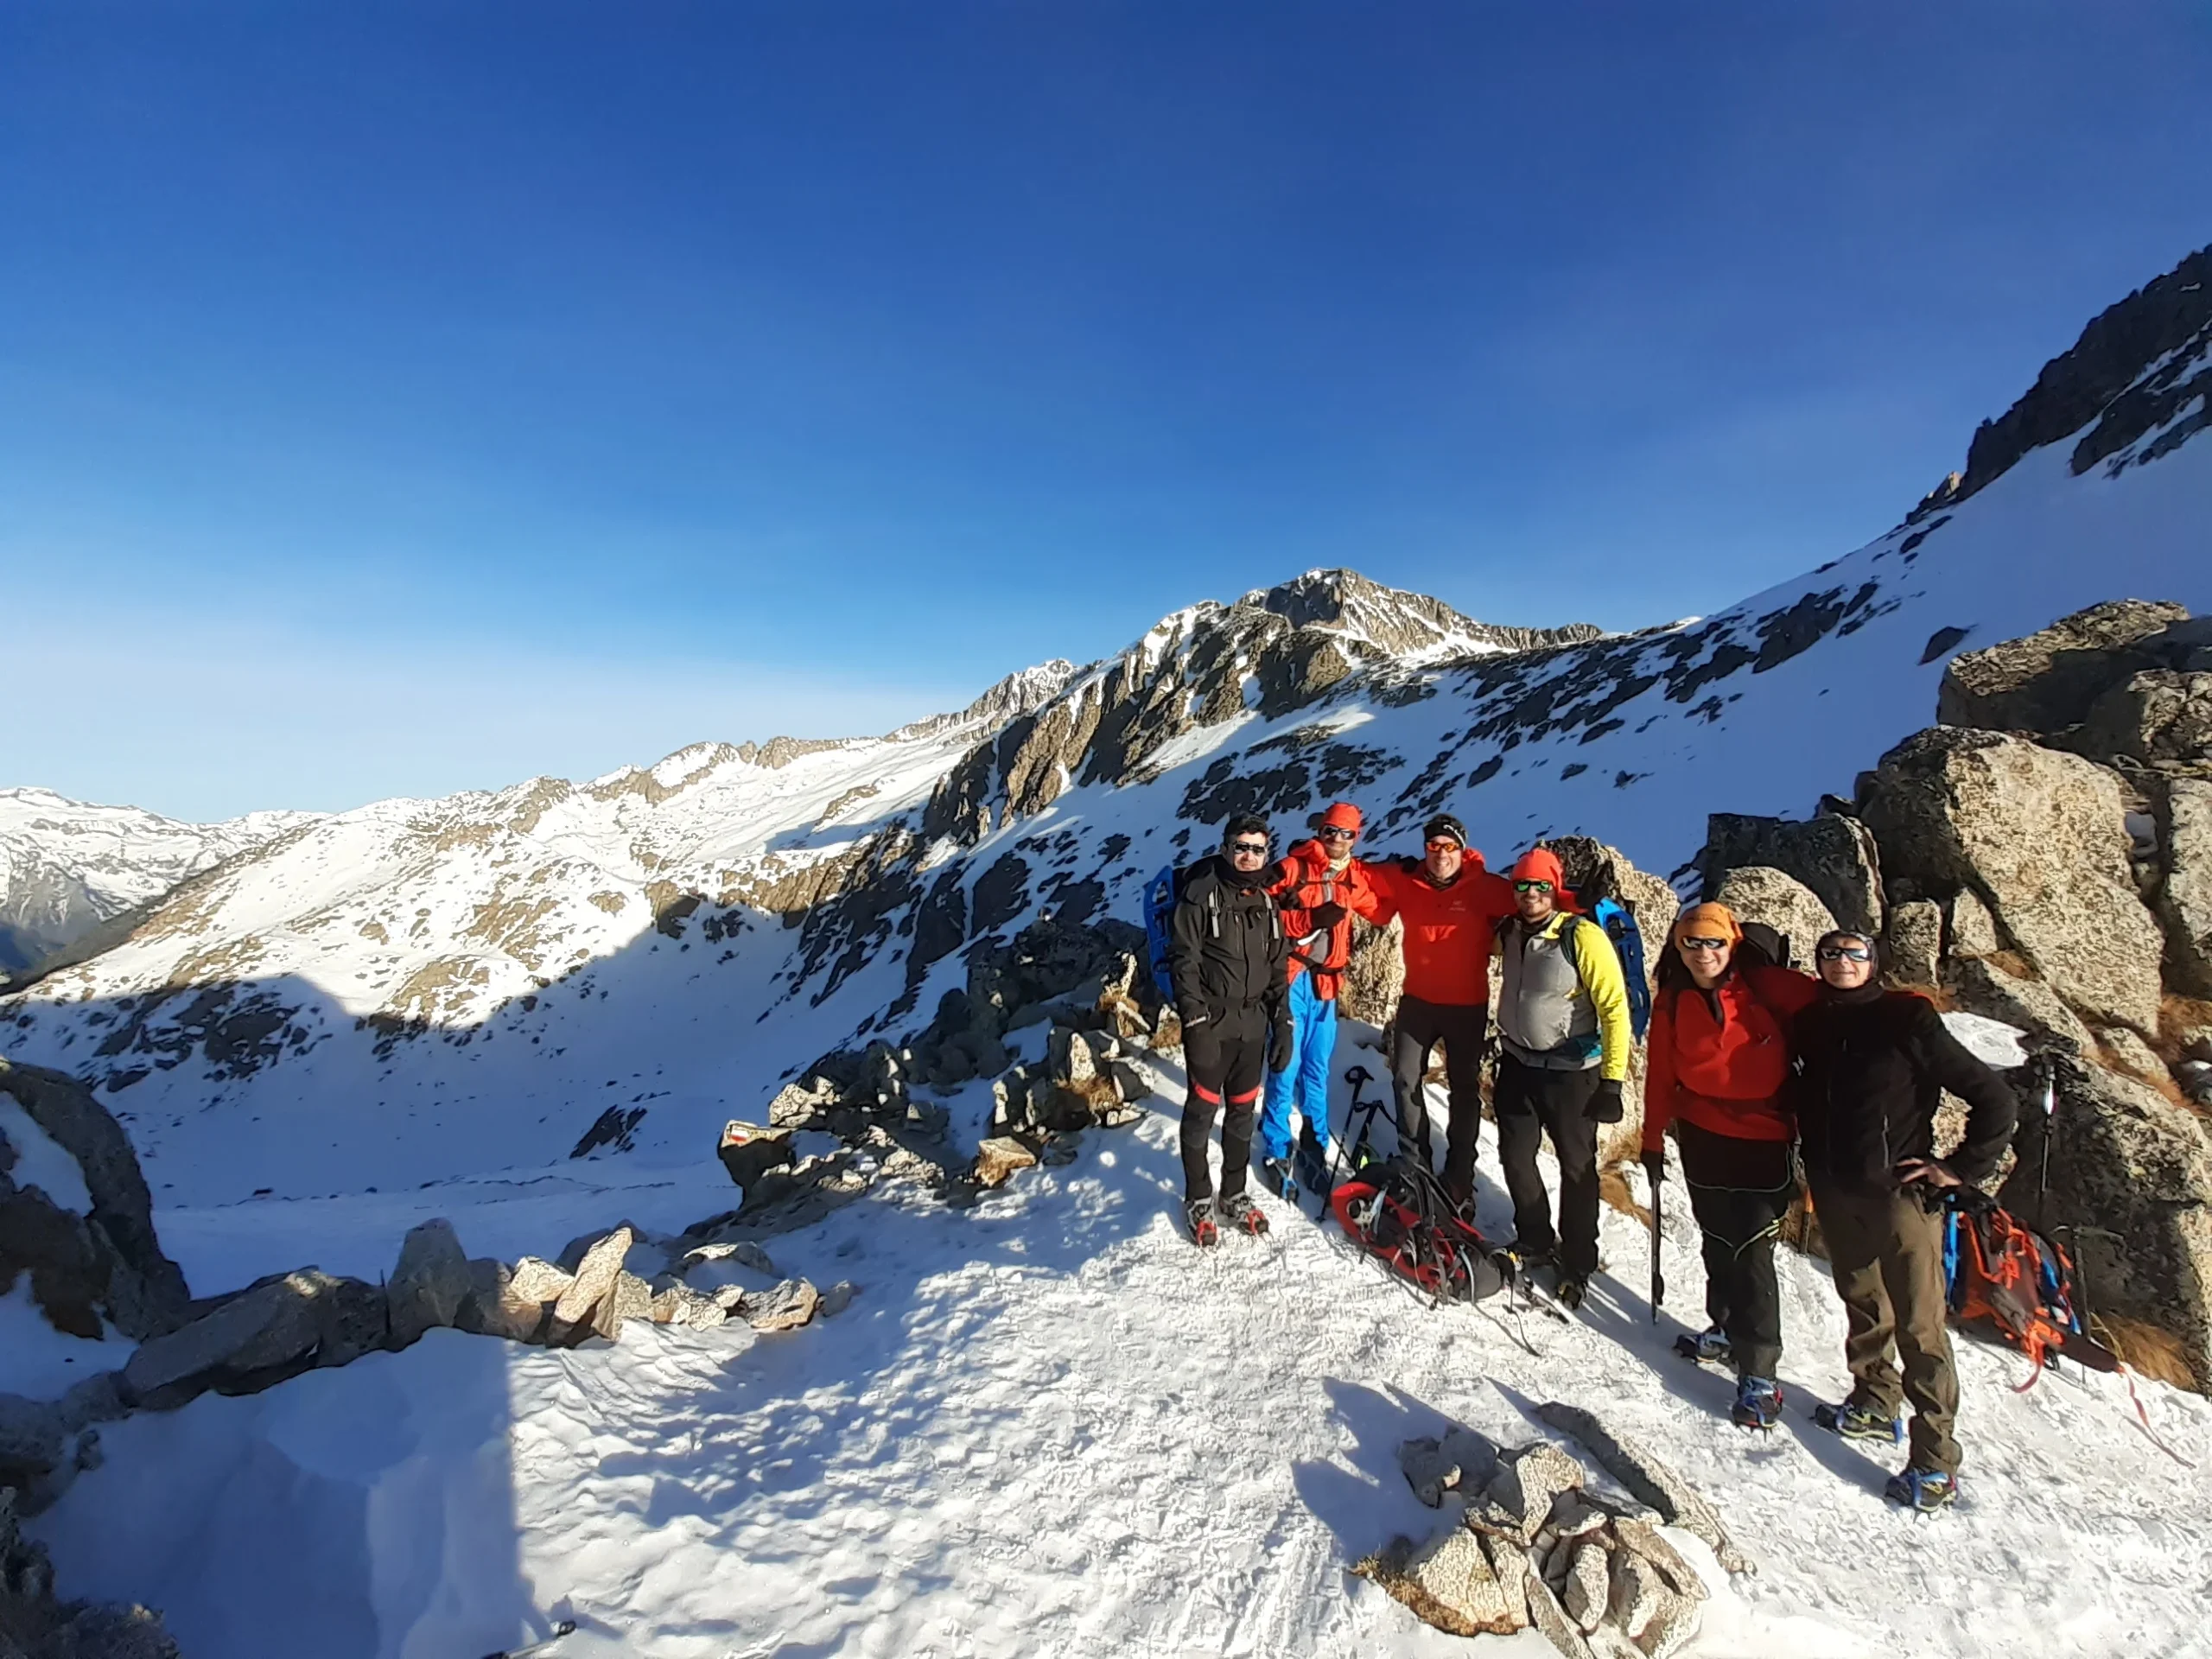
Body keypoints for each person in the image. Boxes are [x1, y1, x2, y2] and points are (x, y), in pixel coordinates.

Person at [1792, 928, 2018, 1512]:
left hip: (1897, 1194)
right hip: (1834, 1187)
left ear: (1875, 963)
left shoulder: (1907, 1019)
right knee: (1862, 1298)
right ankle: (1874, 1400)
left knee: (1920, 1324)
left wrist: (1961, 1168)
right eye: (1831, 954)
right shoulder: (1813, 1021)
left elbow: (1993, 1097)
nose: (1842, 963)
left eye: (1855, 954)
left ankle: (1936, 1460)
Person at [1640, 902, 1817, 1428]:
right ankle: (1725, 1326)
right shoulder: (1673, 1001)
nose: (1702, 953)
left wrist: (1908, 1011)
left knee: (1752, 1249)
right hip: (1701, 1134)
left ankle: (1760, 1369)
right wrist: (1652, 1140)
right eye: (1691, 943)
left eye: (1713, 943)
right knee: (1716, 1236)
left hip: (1764, 1135)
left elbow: (1842, 1001)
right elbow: (1660, 1074)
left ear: (1732, 943)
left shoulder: (1771, 987)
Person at [1491, 847, 1633, 1308]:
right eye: (1522, 885)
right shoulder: (1510, 930)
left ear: (1555, 888)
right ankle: (1533, 1236)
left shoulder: (1582, 936)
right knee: (1515, 1154)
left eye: (1541, 886)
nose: (1530, 894)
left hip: (1573, 1074)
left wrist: (1612, 1081)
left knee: (1578, 1168)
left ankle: (1577, 1261)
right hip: (1517, 1063)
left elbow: (1614, 1008)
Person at [1359, 813, 1518, 1195]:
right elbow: (1357, 873)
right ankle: (1416, 1161)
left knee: (1463, 1089)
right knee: (1405, 1078)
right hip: (1417, 1003)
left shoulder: (1486, 888)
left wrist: (1581, 903)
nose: (1441, 854)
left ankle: (1460, 1172)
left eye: (1449, 847)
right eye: (1433, 846)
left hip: (1467, 1007)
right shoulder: (1407, 880)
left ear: (1462, 851)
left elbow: (1533, 897)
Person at [1167, 814, 1292, 1246]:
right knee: (1201, 1110)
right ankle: (1199, 1197)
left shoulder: (1268, 903)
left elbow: (1278, 968)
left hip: (1253, 1024)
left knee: (1241, 1113)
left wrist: (1284, 1021)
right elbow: (1183, 962)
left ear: (1266, 853)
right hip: (1213, 1022)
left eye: (1257, 849)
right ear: (1225, 847)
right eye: (1241, 846)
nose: (1248, 856)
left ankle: (1234, 1193)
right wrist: (1195, 1023)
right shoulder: (1201, 895)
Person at [1261, 801, 1378, 1193]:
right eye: (1330, 831)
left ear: (1355, 838)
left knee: (1317, 1068)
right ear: (1320, 831)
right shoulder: (1294, 868)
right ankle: (1276, 1144)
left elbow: (1379, 906)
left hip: (1327, 986)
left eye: (1346, 834)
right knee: (1285, 1064)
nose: (1337, 840)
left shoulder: (1355, 878)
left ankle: (1315, 1141)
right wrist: (1305, 918)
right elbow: (1256, 911)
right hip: (1292, 979)